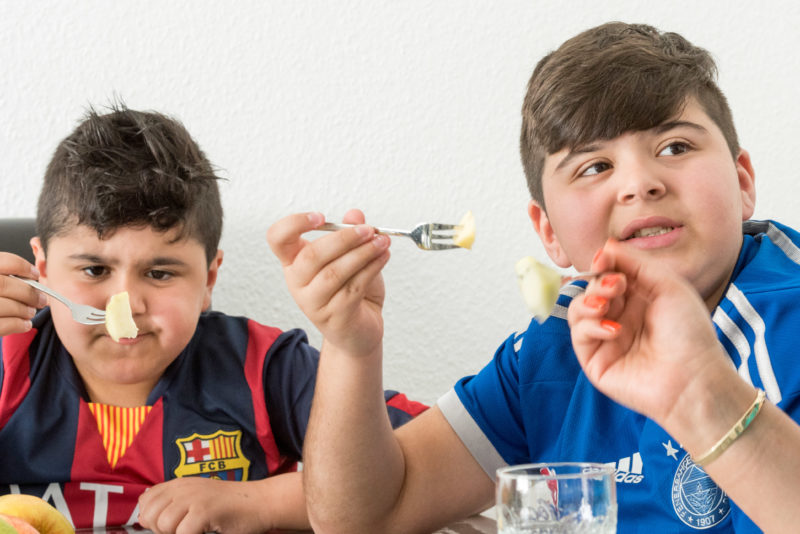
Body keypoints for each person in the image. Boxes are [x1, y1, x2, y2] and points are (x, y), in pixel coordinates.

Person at [267, 22, 800, 533]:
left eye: (675, 148)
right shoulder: (557, 340)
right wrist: (351, 347)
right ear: (549, 232)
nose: (640, 183)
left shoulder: (787, 314)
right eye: (594, 167)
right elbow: (368, 515)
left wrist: (703, 395)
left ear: (742, 180)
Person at [0, 104, 427, 533]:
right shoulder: (7, 361)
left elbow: (426, 461)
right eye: (94, 271)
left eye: (160, 273)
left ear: (209, 279)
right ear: (41, 267)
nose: (126, 305)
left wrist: (261, 502)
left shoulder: (264, 369)